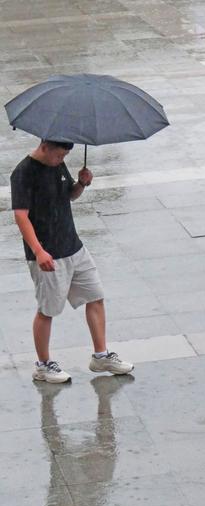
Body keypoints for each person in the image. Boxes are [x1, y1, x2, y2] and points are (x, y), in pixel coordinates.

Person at [10, 140, 134, 384]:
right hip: (48, 254)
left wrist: (81, 184)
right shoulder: (24, 173)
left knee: (95, 297)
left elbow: (68, 196)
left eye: (65, 155)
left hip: (74, 247)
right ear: (45, 146)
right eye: (59, 155)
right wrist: (38, 251)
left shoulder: (58, 164)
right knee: (47, 310)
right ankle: (43, 366)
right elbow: (20, 216)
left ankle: (101, 356)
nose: (62, 159)